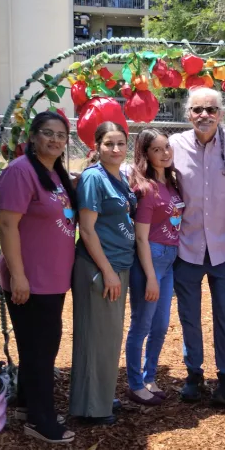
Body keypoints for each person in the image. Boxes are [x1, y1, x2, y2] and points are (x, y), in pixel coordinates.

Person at [0, 111, 76, 444]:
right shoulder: (20, 172)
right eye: (48, 133)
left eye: (61, 135)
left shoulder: (53, 173)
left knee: (38, 346)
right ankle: (41, 422)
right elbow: (6, 225)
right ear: (32, 137)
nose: (55, 140)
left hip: (52, 279)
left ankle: (27, 404)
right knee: (41, 350)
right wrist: (18, 276)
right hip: (31, 280)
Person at [169, 87, 225, 405]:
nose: (204, 115)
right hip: (186, 248)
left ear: (222, 114)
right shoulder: (173, 146)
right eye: (197, 109)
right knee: (189, 315)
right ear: (188, 113)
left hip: (224, 249)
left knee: (224, 314)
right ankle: (193, 374)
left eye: (211, 109)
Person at [69, 122, 136, 425]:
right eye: (109, 144)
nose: (116, 149)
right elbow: (87, 229)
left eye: (121, 143)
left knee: (108, 338)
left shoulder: (119, 176)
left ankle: (102, 395)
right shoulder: (93, 178)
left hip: (117, 265)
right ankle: (90, 409)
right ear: (96, 146)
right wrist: (107, 271)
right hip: (99, 268)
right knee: (95, 338)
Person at [125, 129, 184, 406]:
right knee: (142, 325)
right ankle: (135, 384)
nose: (165, 154)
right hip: (150, 260)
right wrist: (150, 276)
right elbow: (140, 236)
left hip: (169, 260)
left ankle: (150, 376)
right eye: (158, 150)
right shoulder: (145, 188)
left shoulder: (172, 183)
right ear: (145, 154)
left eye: (167, 148)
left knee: (160, 326)